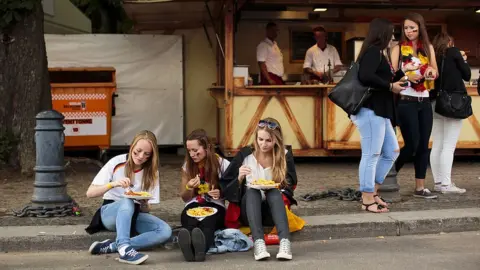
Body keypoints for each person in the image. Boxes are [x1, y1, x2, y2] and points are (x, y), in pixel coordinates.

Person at [85, 130, 172, 265]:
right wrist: (113, 184)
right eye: (137, 151)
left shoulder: (152, 172)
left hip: (134, 214)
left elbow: (146, 210)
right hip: (109, 213)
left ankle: (114, 246)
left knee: (165, 231)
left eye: (147, 154)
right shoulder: (116, 162)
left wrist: (144, 203)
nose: (141, 156)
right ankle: (125, 249)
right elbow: (90, 193)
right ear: (132, 146)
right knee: (127, 201)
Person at [353, 18, 411, 213]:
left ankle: (373, 191)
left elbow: (380, 77)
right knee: (371, 154)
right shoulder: (372, 52)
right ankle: (367, 198)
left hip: (381, 111)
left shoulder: (378, 53)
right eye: (391, 34)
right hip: (371, 110)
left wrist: (403, 73)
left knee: (392, 151)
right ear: (382, 34)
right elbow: (366, 76)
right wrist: (389, 86)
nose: (393, 38)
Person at [220, 117, 298, 261]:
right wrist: (239, 178)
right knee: (252, 191)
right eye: (260, 139)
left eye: (269, 140)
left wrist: (279, 185)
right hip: (248, 210)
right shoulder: (245, 155)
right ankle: (259, 243)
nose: (263, 144)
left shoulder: (284, 155)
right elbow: (225, 187)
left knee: (274, 192)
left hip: (272, 211)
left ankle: (285, 243)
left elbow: (291, 184)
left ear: (277, 140)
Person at [391, 12, 439, 199]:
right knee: (412, 144)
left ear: (420, 28)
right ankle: (388, 173)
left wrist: (430, 72)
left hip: (425, 100)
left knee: (423, 145)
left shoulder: (428, 47)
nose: (409, 31)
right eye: (406, 28)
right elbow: (393, 74)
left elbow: (435, 70)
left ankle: (420, 187)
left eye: (413, 28)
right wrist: (407, 76)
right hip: (406, 101)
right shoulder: (398, 48)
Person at [178, 129, 230, 262]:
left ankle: (200, 250)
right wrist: (189, 187)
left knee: (208, 223)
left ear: (207, 147)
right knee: (188, 220)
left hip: (215, 205)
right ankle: (188, 249)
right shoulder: (187, 166)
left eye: (195, 150)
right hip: (194, 203)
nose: (192, 154)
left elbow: (234, 192)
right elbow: (184, 197)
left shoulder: (223, 164)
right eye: (189, 151)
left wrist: (221, 192)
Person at [430, 32, 471, 194]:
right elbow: (467, 75)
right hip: (453, 103)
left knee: (437, 144)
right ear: (449, 42)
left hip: (435, 103)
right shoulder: (453, 52)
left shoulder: (433, 56)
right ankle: (446, 185)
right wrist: (463, 60)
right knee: (448, 145)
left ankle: (438, 182)